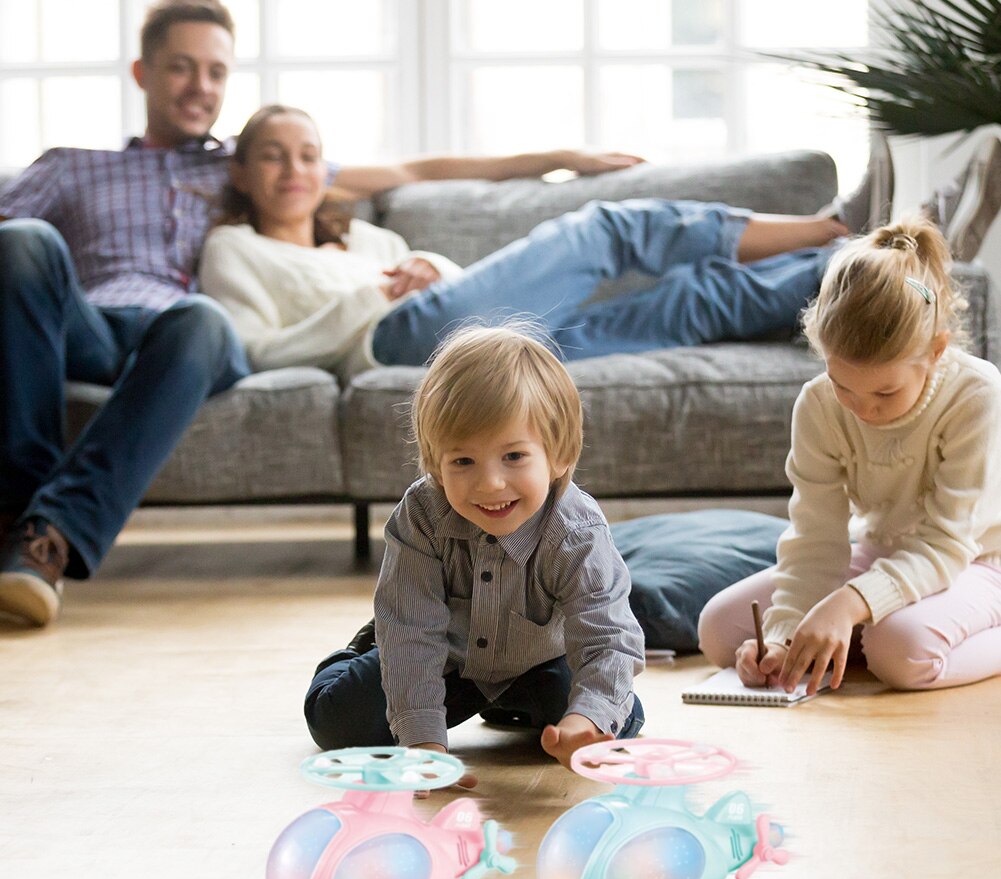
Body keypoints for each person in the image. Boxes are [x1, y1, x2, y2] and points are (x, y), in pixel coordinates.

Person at [0, 2, 640, 629]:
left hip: (186, 340)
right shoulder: (71, 165)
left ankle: (45, 539)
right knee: (22, 241)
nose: (201, 86)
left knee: (201, 318)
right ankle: (18, 513)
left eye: (216, 72)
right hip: (87, 324)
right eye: (181, 68)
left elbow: (416, 169)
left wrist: (562, 158)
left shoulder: (245, 164)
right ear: (143, 73)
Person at [200, 104, 867, 382]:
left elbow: (469, 296)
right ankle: (831, 223)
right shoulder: (235, 249)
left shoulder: (368, 237)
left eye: (308, 155)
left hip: (479, 347)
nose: (293, 171)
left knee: (687, 302)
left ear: (326, 170)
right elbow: (251, 352)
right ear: (240, 170)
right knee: (603, 230)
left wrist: (430, 265)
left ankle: (859, 264)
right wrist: (370, 298)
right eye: (272, 156)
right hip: (395, 345)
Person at [304, 326, 646, 772]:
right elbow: (412, 634)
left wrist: (587, 717)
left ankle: (507, 702)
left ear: (558, 455)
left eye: (514, 457)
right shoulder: (422, 516)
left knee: (618, 720)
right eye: (463, 461)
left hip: (539, 657)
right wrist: (424, 746)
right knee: (338, 724)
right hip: (444, 655)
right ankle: (361, 649)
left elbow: (608, 637)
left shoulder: (576, 531)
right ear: (436, 464)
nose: (490, 484)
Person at [697, 215, 1001, 697]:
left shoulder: (977, 395)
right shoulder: (818, 403)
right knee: (720, 630)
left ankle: (877, 631)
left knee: (899, 654)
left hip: (977, 559)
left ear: (937, 350)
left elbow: (946, 545)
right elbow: (815, 538)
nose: (863, 409)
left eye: (885, 392)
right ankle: (862, 630)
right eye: (844, 386)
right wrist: (782, 637)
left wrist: (845, 606)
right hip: (885, 550)